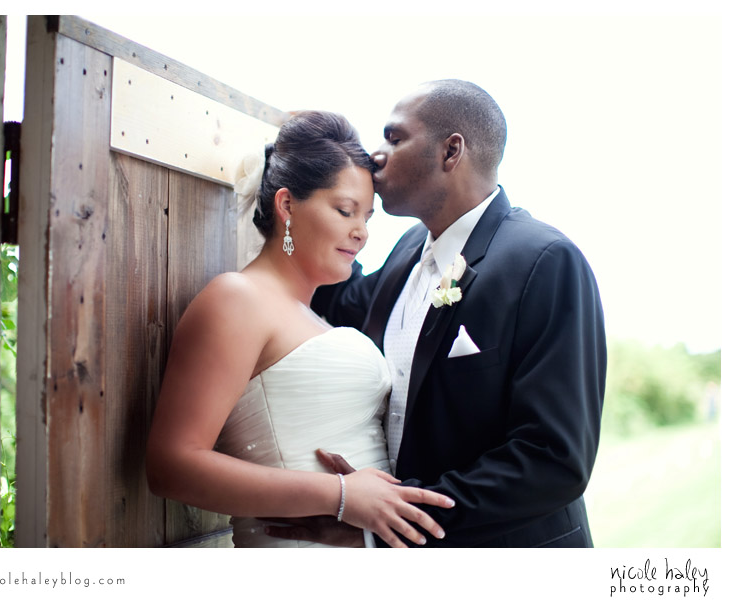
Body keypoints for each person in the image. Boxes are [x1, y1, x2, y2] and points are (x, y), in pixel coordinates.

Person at [272, 79, 607, 547]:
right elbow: (335, 304)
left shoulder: (545, 261)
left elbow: (552, 458)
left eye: (394, 137)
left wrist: (393, 517)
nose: (375, 155)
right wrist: (313, 178)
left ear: (451, 152)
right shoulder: (409, 251)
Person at [145, 110, 455, 548]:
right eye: (346, 210)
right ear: (287, 205)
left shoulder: (313, 315)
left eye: (367, 217)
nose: (361, 232)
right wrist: (342, 495)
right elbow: (171, 465)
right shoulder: (237, 298)